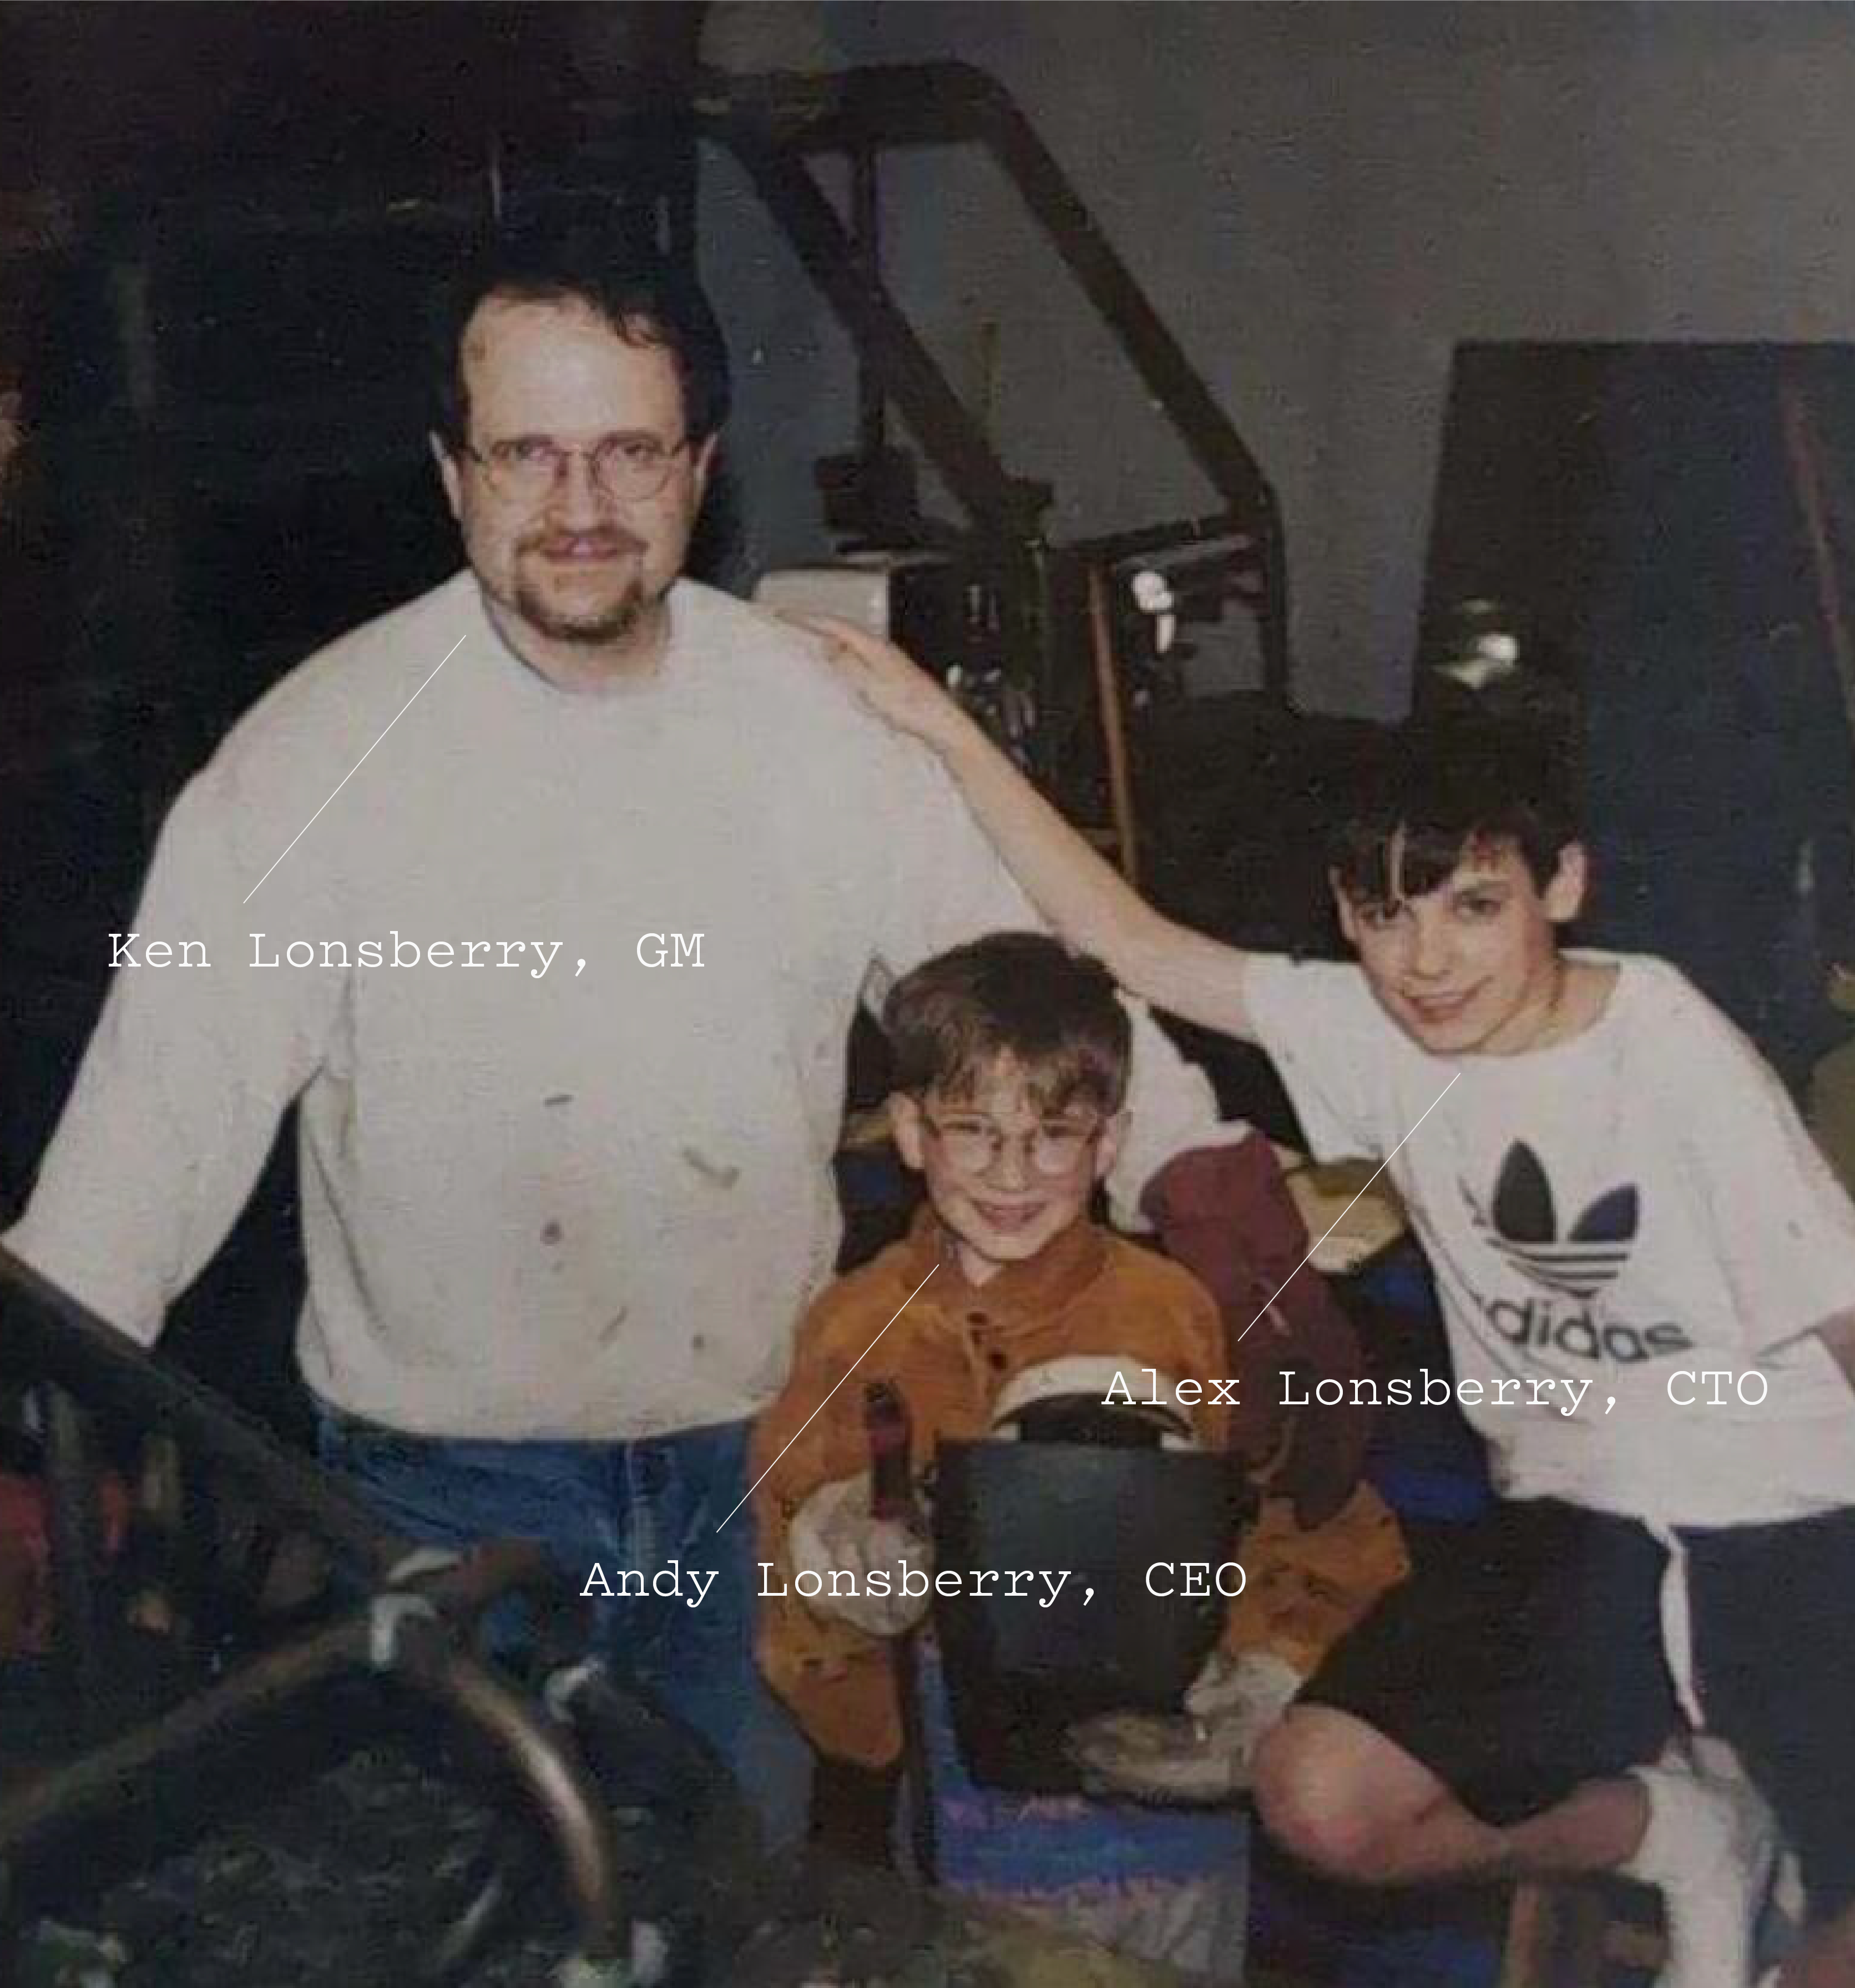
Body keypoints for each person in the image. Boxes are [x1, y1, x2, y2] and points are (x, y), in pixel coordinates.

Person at [0, 214, 1335, 1850]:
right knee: (466, 1932)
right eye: (526, 454)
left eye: (628, 452)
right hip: (443, 1502)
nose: (577, 508)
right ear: (452, 473)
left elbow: (1036, 983)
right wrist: (25, 1427)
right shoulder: (308, 764)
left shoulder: (816, 722)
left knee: (730, 1905)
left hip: (762, 1468)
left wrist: (1210, 1190)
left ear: (700, 468)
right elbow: (147, 1138)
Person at [796, 615, 1855, 1988]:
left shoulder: (1668, 1049)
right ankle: (1675, 1833)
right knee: (1321, 1797)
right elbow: (1121, 933)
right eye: (1384, 914)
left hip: (1803, 1522)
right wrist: (938, 725)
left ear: (1564, 886)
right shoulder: (1367, 1031)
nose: (1425, 961)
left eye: (1473, 906)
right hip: (1579, 1535)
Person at [752, 931, 1407, 1977]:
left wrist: (1276, 1663)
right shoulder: (856, 1329)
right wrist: (834, 1577)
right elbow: (792, 1578)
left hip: (1175, 1833)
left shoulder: (1178, 1315)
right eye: (972, 1130)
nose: (1013, 1175)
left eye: (1054, 1134)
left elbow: (1326, 1524)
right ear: (911, 1132)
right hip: (972, 1837)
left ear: (1110, 1143)